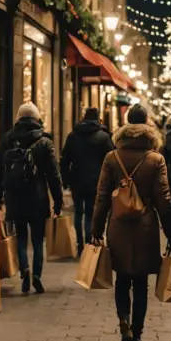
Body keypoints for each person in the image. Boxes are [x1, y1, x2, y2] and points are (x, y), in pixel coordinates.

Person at [91, 105, 171, 341]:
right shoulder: (155, 159)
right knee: (140, 283)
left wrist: (95, 229)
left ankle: (124, 324)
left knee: (122, 280)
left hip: (118, 225)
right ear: (148, 126)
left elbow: (102, 196)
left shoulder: (112, 157)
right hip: (145, 227)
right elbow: (164, 198)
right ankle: (138, 334)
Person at [0, 103, 63, 294]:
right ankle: (37, 275)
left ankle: (24, 268)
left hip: (15, 197)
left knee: (21, 237)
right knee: (38, 240)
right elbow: (53, 174)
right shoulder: (44, 141)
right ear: (37, 119)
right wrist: (58, 201)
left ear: (18, 118)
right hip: (38, 198)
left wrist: (1, 190)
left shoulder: (8, 139)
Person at [60, 107, 114, 255]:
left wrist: (65, 180)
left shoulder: (73, 136)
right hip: (96, 180)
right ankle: (89, 241)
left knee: (78, 212)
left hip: (76, 179)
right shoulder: (103, 137)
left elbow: (64, 160)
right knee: (91, 212)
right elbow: (112, 159)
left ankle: (80, 244)